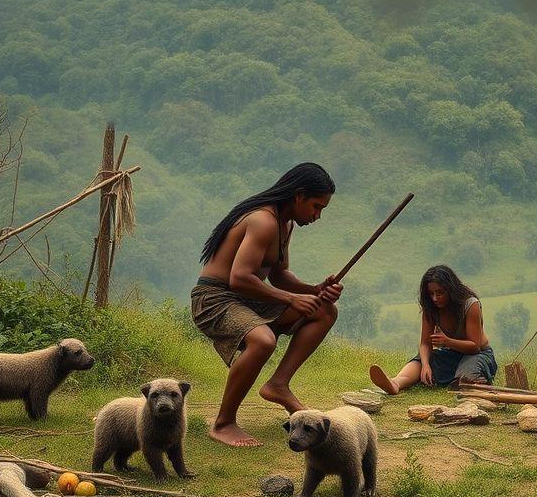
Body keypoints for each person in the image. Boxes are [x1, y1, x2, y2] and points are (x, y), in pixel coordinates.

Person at [191, 163, 342, 447]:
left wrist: (315, 290)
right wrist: (292, 299)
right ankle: (223, 423)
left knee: (324, 310)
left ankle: (278, 385)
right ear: (298, 196)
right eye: (315, 206)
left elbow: (278, 274)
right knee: (263, 340)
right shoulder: (264, 220)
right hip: (213, 300)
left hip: (248, 298)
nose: (317, 215)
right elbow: (239, 278)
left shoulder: (284, 224)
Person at [369, 265, 497, 394]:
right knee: (424, 359)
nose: (435, 298)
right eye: (431, 294)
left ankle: (473, 381)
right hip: (451, 353)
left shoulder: (470, 304)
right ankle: (395, 383)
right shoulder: (431, 307)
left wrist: (447, 342)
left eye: (440, 293)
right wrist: (426, 365)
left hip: (477, 354)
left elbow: (475, 346)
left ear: (451, 290)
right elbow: (425, 343)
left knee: (463, 380)